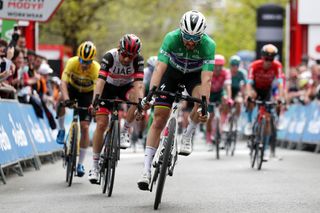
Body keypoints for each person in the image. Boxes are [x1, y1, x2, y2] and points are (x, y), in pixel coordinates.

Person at [137, 10, 215, 190]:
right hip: (171, 74)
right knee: (158, 118)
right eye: (186, 36)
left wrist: (204, 104)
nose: (189, 41)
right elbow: (159, 68)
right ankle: (146, 170)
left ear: (201, 36)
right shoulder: (171, 38)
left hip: (194, 76)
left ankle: (188, 134)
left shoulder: (208, 45)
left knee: (200, 103)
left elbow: (207, 80)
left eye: (195, 39)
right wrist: (151, 93)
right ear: (181, 31)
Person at [88, 34, 144, 183]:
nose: (126, 59)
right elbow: (100, 81)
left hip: (125, 87)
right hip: (108, 87)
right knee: (101, 124)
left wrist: (140, 103)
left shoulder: (138, 61)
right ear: (120, 49)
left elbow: (139, 85)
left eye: (131, 57)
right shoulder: (110, 57)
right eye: (125, 55)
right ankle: (94, 166)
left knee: (136, 98)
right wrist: (96, 100)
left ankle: (125, 129)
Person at [56, 41, 100, 177]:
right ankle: (62, 130)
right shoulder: (72, 62)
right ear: (78, 57)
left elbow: (97, 90)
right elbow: (63, 82)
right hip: (72, 89)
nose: (84, 64)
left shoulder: (96, 68)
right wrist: (67, 98)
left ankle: (80, 163)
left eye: (88, 62)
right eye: (82, 60)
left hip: (87, 94)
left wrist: (93, 104)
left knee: (85, 127)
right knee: (60, 99)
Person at [245, 44, 284, 160]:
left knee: (267, 120)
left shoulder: (277, 66)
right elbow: (249, 83)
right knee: (251, 96)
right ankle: (248, 123)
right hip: (255, 88)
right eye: (266, 58)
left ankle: (265, 149)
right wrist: (248, 95)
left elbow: (281, 83)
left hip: (267, 91)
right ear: (262, 57)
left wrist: (280, 97)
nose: (268, 62)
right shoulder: (254, 65)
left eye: (271, 59)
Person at [206, 54, 232, 150]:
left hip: (220, 92)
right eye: (216, 66)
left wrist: (229, 98)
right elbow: (203, 85)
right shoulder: (209, 71)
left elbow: (228, 86)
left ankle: (224, 122)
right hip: (210, 93)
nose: (217, 68)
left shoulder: (226, 72)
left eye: (220, 66)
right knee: (209, 117)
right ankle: (209, 139)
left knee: (225, 99)